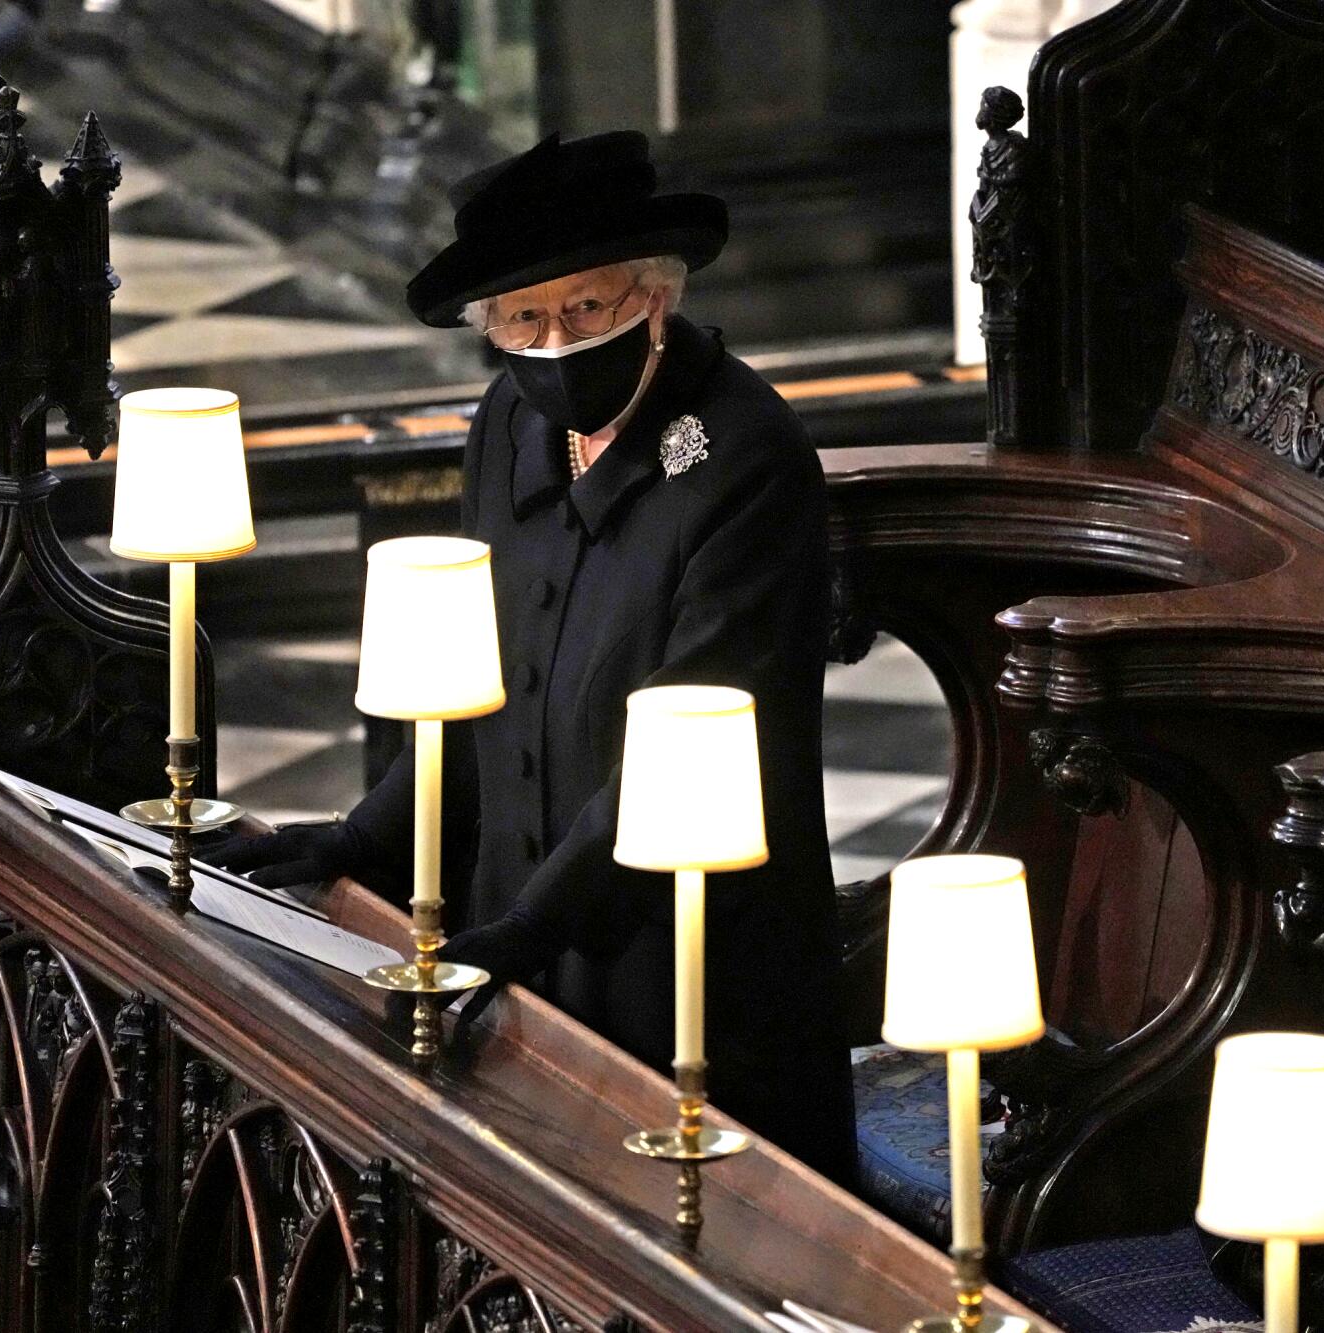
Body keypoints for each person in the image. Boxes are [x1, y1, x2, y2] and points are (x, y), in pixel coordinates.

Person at [215, 130, 857, 1184]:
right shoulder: (508, 419)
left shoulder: (744, 456)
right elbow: (479, 689)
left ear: (653, 297)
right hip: (513, 931)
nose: (552, 340)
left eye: (585, 307)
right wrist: (358, 837)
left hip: (683, 957)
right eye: (520, 317)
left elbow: (695, 735)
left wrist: (526, 930)